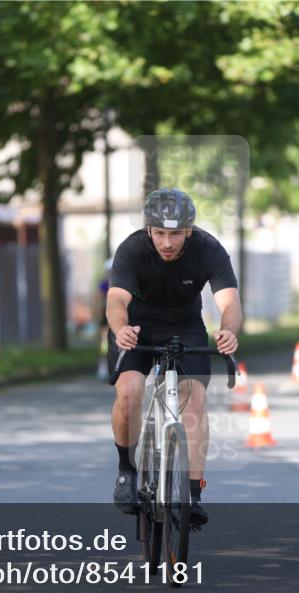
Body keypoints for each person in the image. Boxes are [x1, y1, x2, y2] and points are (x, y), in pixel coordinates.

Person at [107, 187, 242, 526]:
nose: (167, 242)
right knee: (129, 392)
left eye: (176, 234)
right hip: (136, 327)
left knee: (194, 398)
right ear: (149, 230)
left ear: (189, 231)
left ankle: (193, 492)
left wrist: (228, 330)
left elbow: (229, 302)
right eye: (160, 234)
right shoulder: (132, 249)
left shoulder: (208, 248)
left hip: (185, 326)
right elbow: (116, 301)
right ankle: (127, 470)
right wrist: (121, 329)